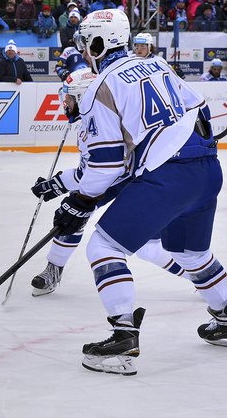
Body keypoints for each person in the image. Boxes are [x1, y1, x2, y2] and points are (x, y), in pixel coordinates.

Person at [51, 8, 227, 376]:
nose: (83, 49)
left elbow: (106, 162)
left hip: (168, 176)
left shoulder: (101, 85)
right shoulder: (157, 64)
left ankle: (122, 336)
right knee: (191, 252)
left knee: (103, 246)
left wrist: (80, 202)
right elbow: (199, 106)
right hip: (206, 167)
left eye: (85, 41)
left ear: (98, 42)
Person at [29, 70, 190, 297]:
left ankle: (201, 276)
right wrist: (58, 185)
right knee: (72, 214)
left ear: (85, 98)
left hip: (142, 179)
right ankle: (53, 269)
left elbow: (93, 172)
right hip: (119, 175)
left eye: (69, 98)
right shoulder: (95, 117)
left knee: (148, 248)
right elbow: (93, 170)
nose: (65, 103)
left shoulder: (100, 122)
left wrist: (56, 184)